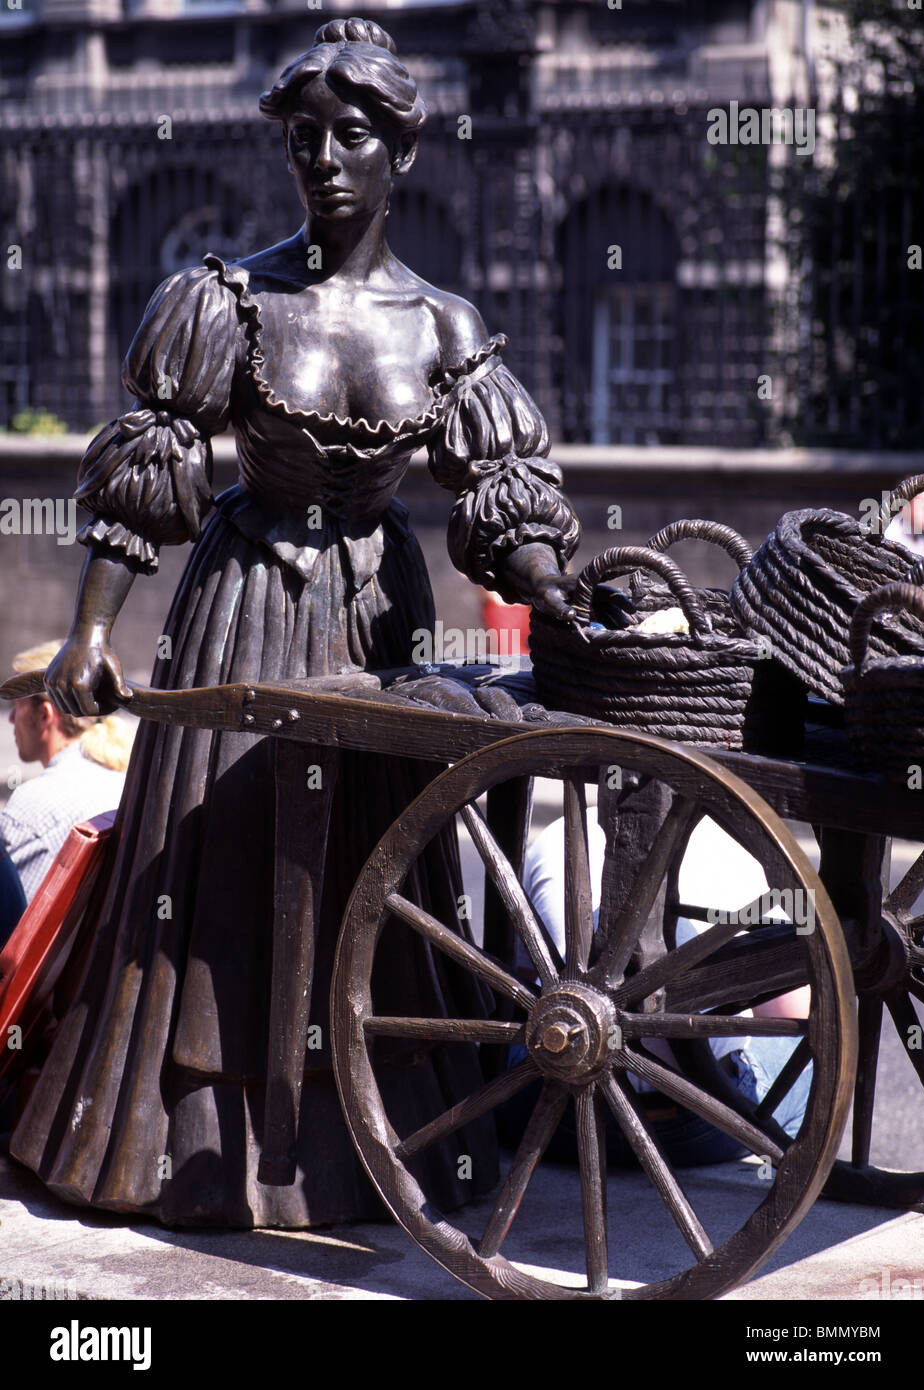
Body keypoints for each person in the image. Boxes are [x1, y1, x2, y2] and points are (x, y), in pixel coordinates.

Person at [9, 18, 580, 1229]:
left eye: (350, 136)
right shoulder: (224, 299)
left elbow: (497, 493)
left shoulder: (444, 327)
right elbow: (147, 471)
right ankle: (201, 1148)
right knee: (224, 876)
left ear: (400, 153)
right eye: (303, 138)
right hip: (246, 609)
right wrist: (91, 632)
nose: (322, 160)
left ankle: (364, 1137)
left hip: (376, 620)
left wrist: (549, 580)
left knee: (377, 872)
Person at [501, 808, 812, 1167]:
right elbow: (790, 1013)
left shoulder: (560, 834)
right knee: (805, 1057)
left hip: (556, 1113)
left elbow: (523, 984)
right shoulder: (741, 846)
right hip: (705, 1124)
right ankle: (775, 1149)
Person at [0, 641, 131, 929]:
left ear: (44, 714)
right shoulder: (120, 781)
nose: (9, 718)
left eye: (16, 706)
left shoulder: (33, 804)